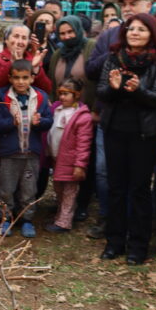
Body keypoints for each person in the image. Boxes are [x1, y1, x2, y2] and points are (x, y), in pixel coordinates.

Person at [96, 13, 156, 265]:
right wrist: (114, 88)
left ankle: (138, 246)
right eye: (131, 29)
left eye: (141, 29)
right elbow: (101, 93)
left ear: (152, 33)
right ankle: (114, 242)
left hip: (145, 134)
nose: (135, 33)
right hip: (115, 129)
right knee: (116, 187)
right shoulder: (114, 57)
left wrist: (138, 90)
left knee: (140, 189)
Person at [0, 59, 53, 238]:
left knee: (29, 189)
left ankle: (27, 219)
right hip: (10, 154)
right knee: (6, 189)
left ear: (32, 78)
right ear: (10, 78)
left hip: (31, 154)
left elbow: (49, 120)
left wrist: (40, 122)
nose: (21, 82)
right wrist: (11, 122)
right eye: (16, 78)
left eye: (25, 78)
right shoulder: (3, 97)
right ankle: (5, 219)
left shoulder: (40, 97)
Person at [47, 78, 93, 233]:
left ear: (77, 95)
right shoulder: (56, 110)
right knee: (58, 188)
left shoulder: (82, 117)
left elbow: (84, 143)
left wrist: (80, 165)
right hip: (56, 158)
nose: (62, 97)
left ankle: (64, 222)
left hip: (71, 161)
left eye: (66, 94)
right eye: (60, 93)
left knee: (69, 192)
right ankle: (61, 214)